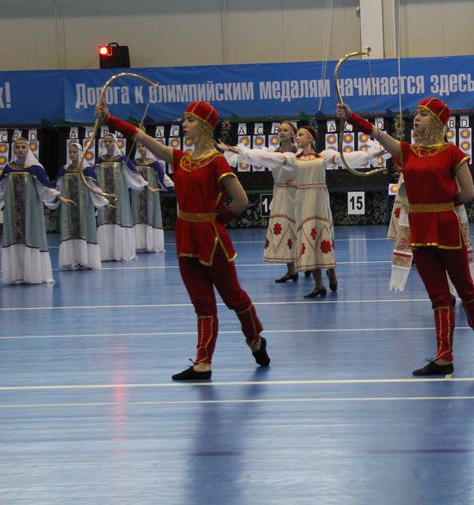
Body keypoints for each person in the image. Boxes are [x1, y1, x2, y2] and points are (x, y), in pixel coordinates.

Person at [95, 99, 270, 381]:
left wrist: (217, 220)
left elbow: (241, 200)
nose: (183, 124)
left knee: (233, 297)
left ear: (203, 127)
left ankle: (255, 339)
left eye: (189, 120)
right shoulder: (180, 158)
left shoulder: (217, 161)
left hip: (211, 240)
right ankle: (203, 363)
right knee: (202, 304)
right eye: (184, 119)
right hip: (186, 238)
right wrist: (110, 120)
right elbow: (141, 136)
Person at [338, 97, 474, 376]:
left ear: (435, 121)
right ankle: (444, 355)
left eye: (422, 115)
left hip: (446, 226)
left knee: (466, 288)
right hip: (420, 229)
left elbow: (469, 193)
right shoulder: (407, 151)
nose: (417, 119)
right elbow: (377, 134)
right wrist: (352, 117)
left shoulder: (451, 153)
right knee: (438, 295)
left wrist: (444, 204)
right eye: (417, 114)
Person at [221, 126, 370, 298]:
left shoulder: (323, 156)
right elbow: (267, 157)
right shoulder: (293, 159)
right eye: (297, 134)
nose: (297, 137)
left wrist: (373, 154)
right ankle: (319, 285)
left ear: (311, 138)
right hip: (303, 201)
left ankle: (331, 271)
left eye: (301, 134)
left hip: (320, 201)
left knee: (323, 237)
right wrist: (242, 151)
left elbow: (347, 158)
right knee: (307, 238)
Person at [225, 121, 302, 283]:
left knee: (302, 229)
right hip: (281, 193)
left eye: (285, 130)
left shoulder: (300, 153)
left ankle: (308, 265)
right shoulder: (273, 152)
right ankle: (291, 270)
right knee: (285, 230)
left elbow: (312, 170)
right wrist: (241, 152)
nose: (281, 132)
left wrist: (301, 182)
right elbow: (258, 156)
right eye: (279, 130)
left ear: (293, 134)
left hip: (299, 195)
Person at [387, 171, 474, 299]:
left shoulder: (450, 155)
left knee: (448, 254)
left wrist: (448, 203)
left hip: (441, 206)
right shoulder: (411, 157)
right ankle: (446, 294)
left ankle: (452, 292)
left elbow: (468, 193)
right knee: (432, 255)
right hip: (424, 206)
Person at [0, 137, 73, 284]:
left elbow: (44, 188)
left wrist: (59, 197)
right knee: (15, 240)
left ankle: (33, 275)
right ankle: (17, 275)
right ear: (14, 150)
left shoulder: (35, 169)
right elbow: (2, 190)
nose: (20, 150)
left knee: (31, 238)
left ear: (28, 149)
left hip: (31, 211)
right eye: (17, 147)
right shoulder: (8, 169)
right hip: (12, 213)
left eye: (23, 147)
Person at [56, 141, 110, 270]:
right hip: (68, 209)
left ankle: (86, 260)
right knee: (70, 231)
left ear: (81, 153)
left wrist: (105, 202)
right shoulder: (64, 170)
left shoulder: (86, 170)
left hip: (84, 208)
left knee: (85, 231)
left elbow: (94, 189)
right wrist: (57, 197)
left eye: (75, 152)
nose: (72, 154)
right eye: (70, 152)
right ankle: (72, 260)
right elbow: (58, 188)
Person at [95, 133, 148, 261]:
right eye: (105, 141)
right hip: (105, 197)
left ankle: (122, 253)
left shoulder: (122, 159)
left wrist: (145, 185)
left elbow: (134, 175)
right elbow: (93, 178)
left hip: (120, 197)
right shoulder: (99, 161)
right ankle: (106, 254)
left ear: (115, 142)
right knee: (105, 221)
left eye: (110, 141)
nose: (107, 144)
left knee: (120, 220)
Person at [132, 143, 174, 253]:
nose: (141, 148)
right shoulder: (134, 163)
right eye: (139, 147)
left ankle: (152, 244)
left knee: (151, 215)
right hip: (137, 195)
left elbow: (162, 176)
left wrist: (171, 186)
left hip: (151, 194)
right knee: (138, 216)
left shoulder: (154, 163)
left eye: (143, 146)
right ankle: (139, 244)